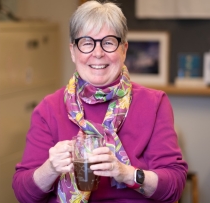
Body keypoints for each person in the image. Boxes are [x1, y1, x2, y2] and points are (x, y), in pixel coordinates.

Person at [12, 1, 188, 203]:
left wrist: (127, 174)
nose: (97, 53)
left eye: (108, 42)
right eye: (87, 43)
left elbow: (174, 186)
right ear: (73, 51)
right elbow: (23, 193)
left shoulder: (154, 103)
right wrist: (50, 168)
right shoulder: (49, 108)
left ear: (124, 49)